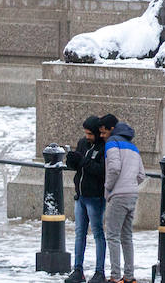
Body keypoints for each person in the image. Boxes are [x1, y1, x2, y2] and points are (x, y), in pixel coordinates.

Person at [64, 115, 107, 283]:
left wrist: (82, 161)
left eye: (90, 134)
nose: (87, 137)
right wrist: (73, 161)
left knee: (97, 233)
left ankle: (99, 271)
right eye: (86, 133)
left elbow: (101, 171)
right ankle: (78, 269)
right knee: (79, 234)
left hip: (95, 197)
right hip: (80, 196)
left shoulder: (104, 147)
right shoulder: (83, 143)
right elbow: (80, 166)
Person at [103, 117, 145, 283]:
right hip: (132, 194)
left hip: (118, 195)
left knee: (112, 235)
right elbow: (141, 175)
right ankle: (129, 276)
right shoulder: (134, 148)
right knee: (126, 237)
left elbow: (114, 168)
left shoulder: (112, 143)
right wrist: (130, 184)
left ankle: (115, 276)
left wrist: (108, 187)